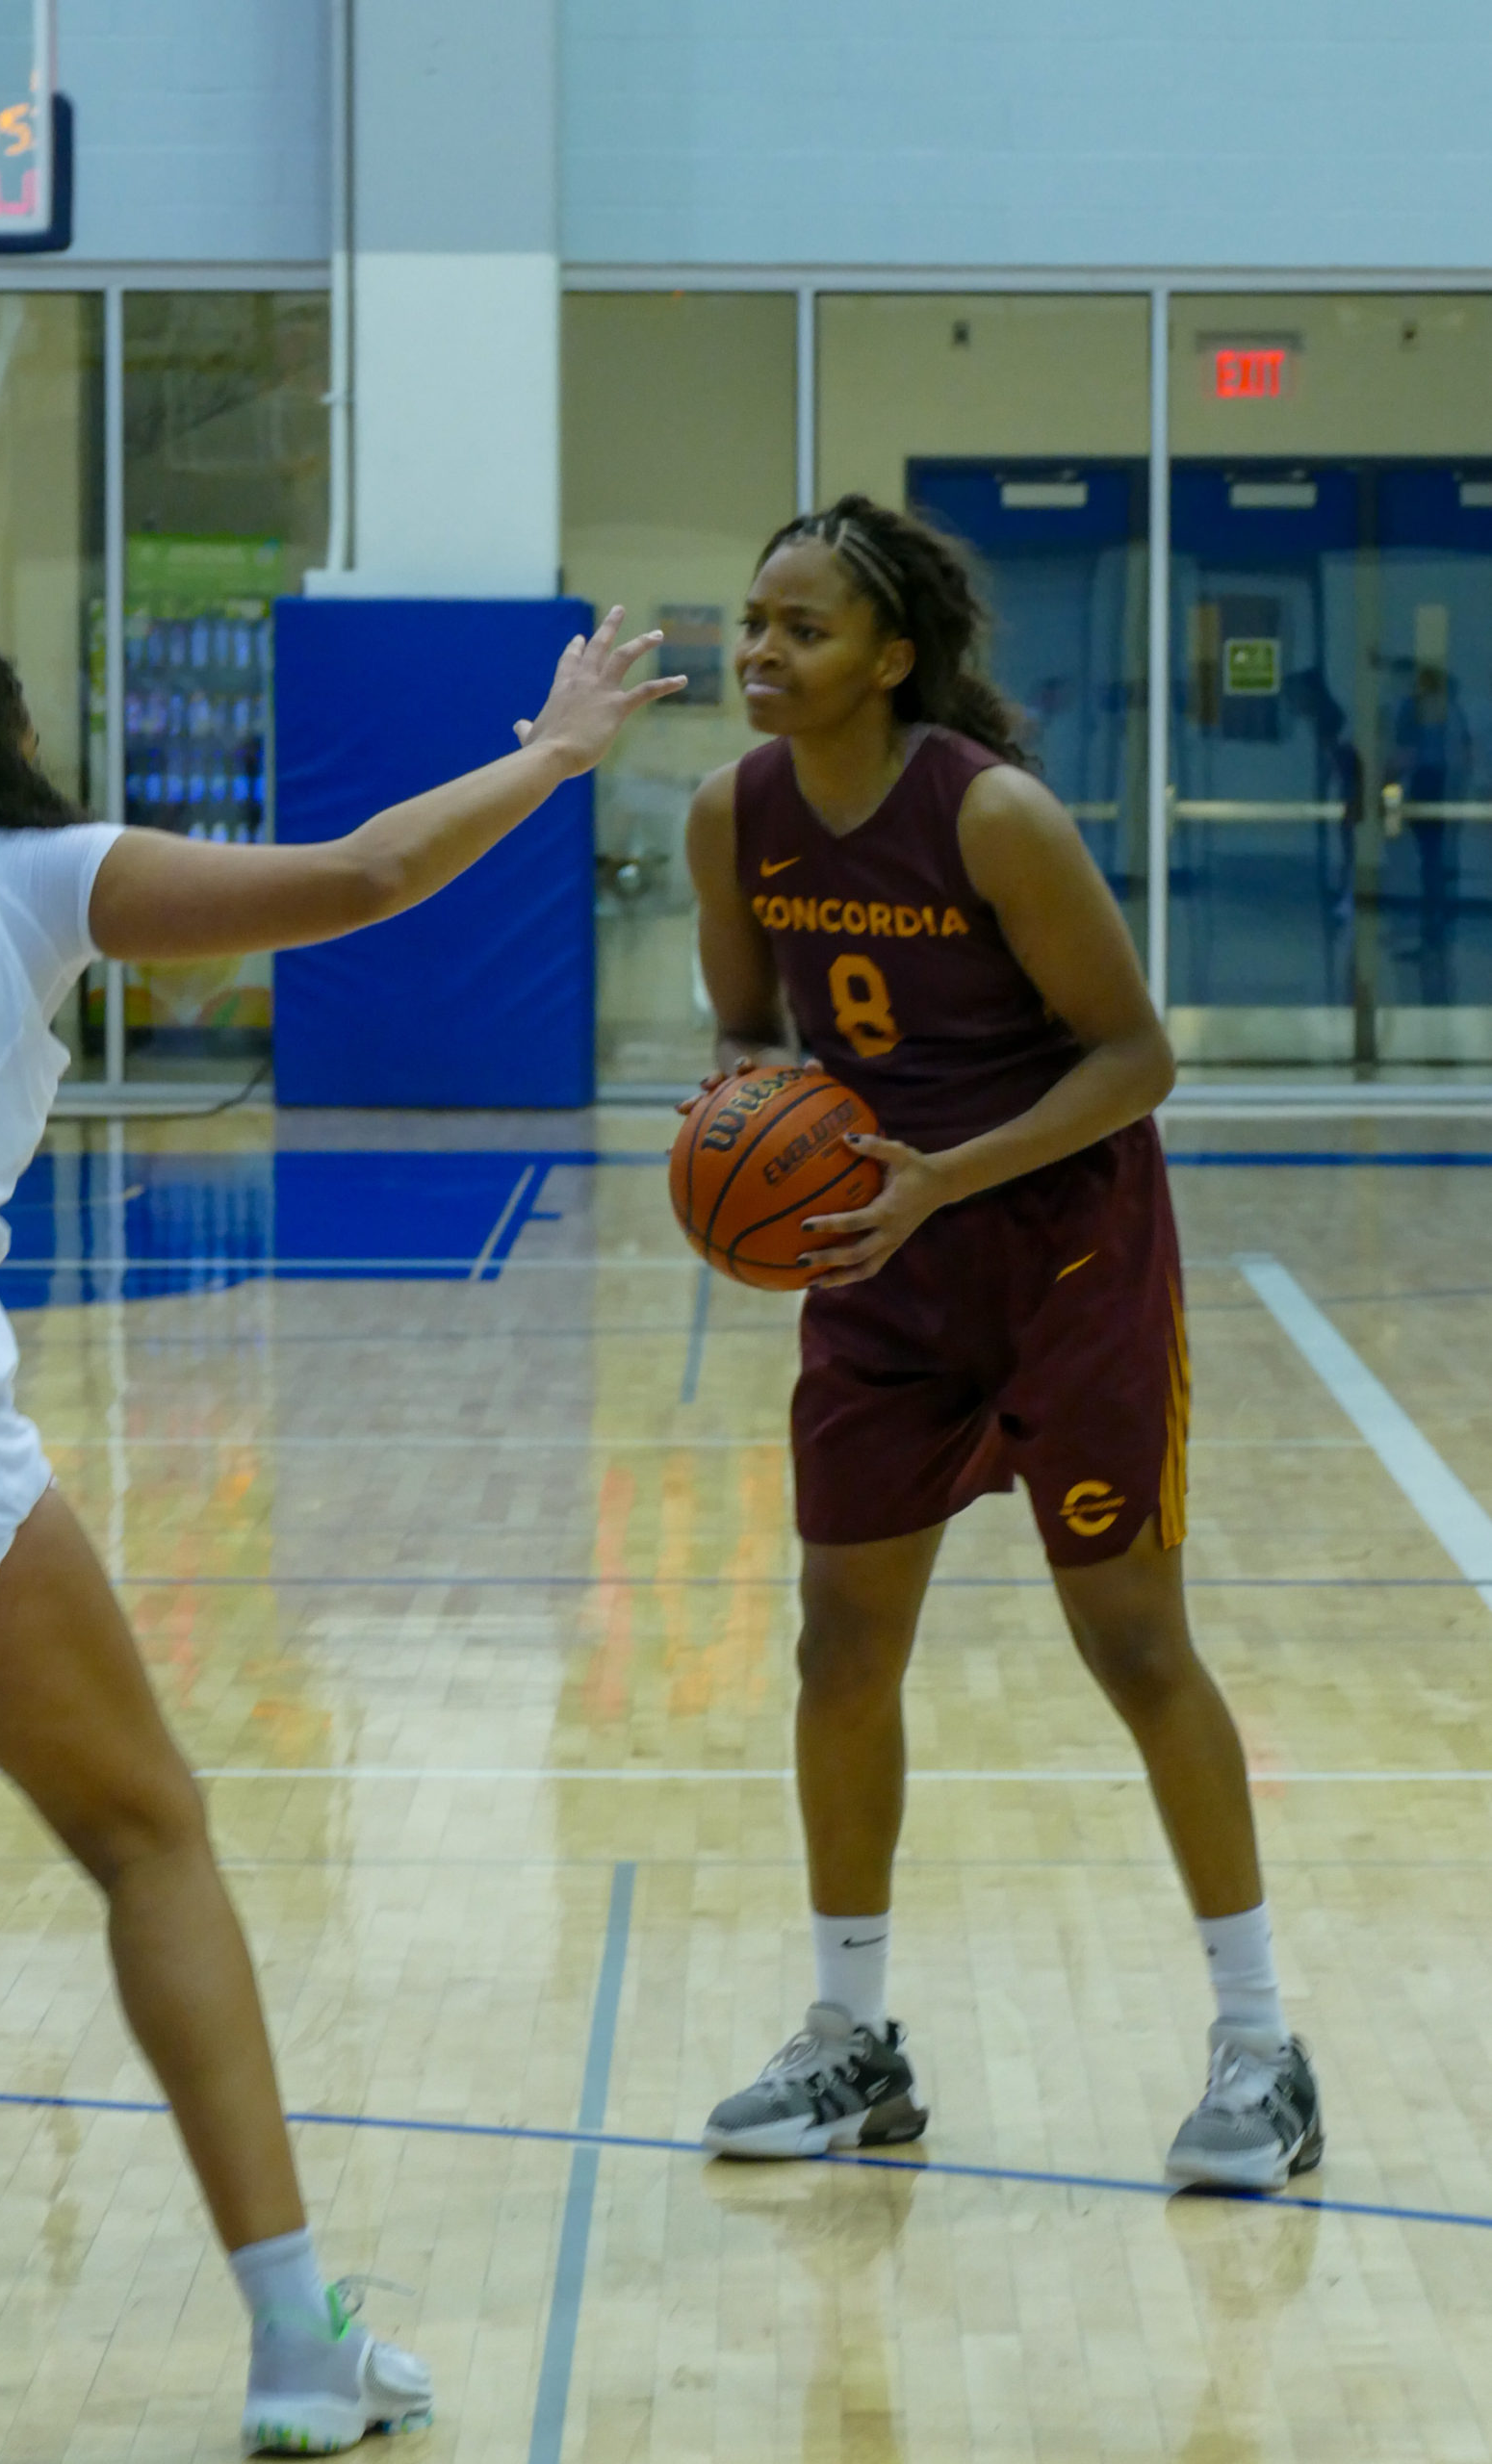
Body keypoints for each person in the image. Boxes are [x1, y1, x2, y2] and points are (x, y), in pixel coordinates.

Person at [0, 605, 682, 2455]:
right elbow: (368, 870)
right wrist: (552, 756)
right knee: (148, 1833)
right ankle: (299, 2344)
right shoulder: (20, 868)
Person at [684, 496, 1323, 2192]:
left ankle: (1262, 2047)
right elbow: (751, 1036)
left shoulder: (997, 818)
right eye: (753, 620)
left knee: (1131, 1644)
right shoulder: (729, 817)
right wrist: (742, 1122)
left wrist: (941, 1177)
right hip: (877, 1262)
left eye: (802, 628)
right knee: (839, 1646)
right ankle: (853, 2041)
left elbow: (1135, 1056)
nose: (762, 651)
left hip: (1064, 1249)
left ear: (893, 659)